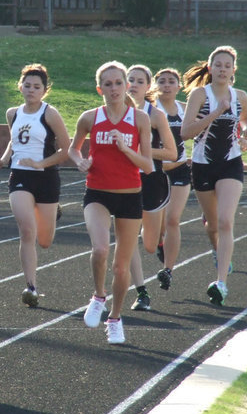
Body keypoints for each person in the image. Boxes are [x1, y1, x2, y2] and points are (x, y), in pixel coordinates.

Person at [68, 61, 154, 344]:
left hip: (129, 195)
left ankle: (115, 318)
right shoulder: (89, 118)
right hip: (98, 193)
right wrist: (80, 161)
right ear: (99, 89)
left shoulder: (139, 119)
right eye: (108, 84)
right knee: (100, 249)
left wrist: (125, 148)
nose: (114, 88)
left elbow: (148, 165)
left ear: (126, 86)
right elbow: (73, 148)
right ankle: (98, 296)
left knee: (121, 267)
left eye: (118, 83)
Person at [180, 46, 247, 306]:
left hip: (230, 163)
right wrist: (215, 113)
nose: (223, 69)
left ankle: (221, 283)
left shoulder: (240, 95)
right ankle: (217, 248)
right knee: (213, 226)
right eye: (218, 65)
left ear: (234, 70)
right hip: (203, 164)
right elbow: (185, 133)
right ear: (210, 68)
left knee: (225, 221)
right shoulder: (200, 95)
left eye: (227, 65)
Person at [0, 63, 71, 308]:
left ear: (44, 90)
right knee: (27, 230)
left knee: (45, 241)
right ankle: (31, 287)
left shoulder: (50, 114)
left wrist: (41, 164)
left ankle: (53, 209)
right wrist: (3, 160)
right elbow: (14, 140)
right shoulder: (12, 113)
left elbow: (66, 150)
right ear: (20, 86)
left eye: (36, 87)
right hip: (20, 176)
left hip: (46, 177)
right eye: (27, 85)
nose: (31, 90)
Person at [124, 65, 176, 311]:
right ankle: (141, 292)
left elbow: (172, 153)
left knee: (149, 244)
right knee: (127, 239)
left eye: (139, 81)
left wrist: (141, 152)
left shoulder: (155, 115)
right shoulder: (115, 113)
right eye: (130, 80)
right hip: (124, 181)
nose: (133, 85)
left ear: (148, 87)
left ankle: (160, 244)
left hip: (152, 181)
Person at [154, 67, 191, 291]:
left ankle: (168, 270)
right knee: (156, 228)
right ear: (155, 85)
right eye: (162, 81)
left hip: (179, 169)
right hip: (156, 171)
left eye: (171, 81)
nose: (166, 85)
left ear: (179, 86)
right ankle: (160, 242)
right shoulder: (150, 109)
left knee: (173, 219)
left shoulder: (185, 109)